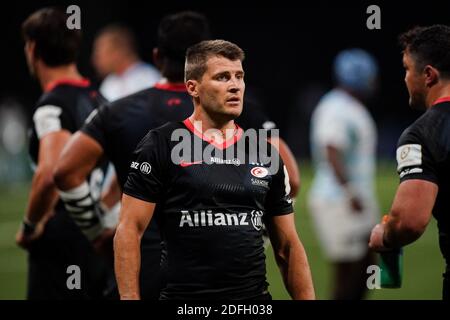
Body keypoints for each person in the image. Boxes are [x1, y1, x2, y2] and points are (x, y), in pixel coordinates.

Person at [114, 39, 315, 300]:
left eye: (239, 77)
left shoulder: (264, 153)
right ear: (192, 87)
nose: (235, 86)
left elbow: (287, 246)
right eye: (222, 77)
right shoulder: (161, 143)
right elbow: (129, 230)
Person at [54, 11, 212, 300]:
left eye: (99, 50)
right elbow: (285, 176)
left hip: (141, 246)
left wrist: (94, 227)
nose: (94, 59)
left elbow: (65, 170)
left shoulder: (126, 103)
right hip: (212, 260)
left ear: (157, 57)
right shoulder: (235, 110)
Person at [15, 7, 113, 299]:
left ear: (32, 49)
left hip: (63, 242)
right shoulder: (101, 99)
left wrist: (30, 226)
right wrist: (102, 218)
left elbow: (49, 175)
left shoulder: (53, 105)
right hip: (99, 236)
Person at [369, 25, 450, 300]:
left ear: (428, 75)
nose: (404, 78)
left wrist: (386, 235)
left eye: (406, 69)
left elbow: (409, 222)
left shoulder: (422, 133)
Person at [308, 48, 379, 299]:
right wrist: (350, 192)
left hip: (349, 198)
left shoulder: (348, 105)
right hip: (339, 200)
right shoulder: (337, 107)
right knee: (349, 276)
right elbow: (331, 149)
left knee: (367, 270)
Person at [92, 24, 161, 101]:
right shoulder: (109, 84)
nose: (96, 60)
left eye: (102, 54)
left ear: (118, 52)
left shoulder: (149, 78)